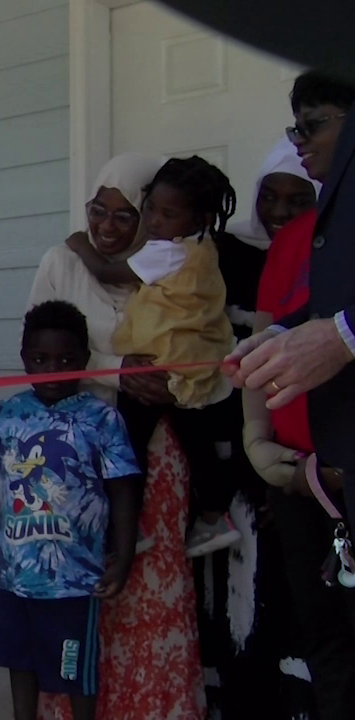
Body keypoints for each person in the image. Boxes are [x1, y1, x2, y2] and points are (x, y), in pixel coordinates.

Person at [28, 152, 207, 720]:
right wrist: (117, 367)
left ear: (151, 219)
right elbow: (40, 352)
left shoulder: (172, 269)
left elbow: (194, 348)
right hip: (74, 452)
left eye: (125, 216)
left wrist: (168, 379)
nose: (107, 227)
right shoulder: (61, 260)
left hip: (152, 447)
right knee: (84, 585)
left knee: (152, 582)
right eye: (97, 212)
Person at [0, 300, 140, 720]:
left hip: (73, 580)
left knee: (74, 671)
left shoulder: (101, 419)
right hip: (13, 574)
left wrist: (124, 556)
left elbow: (123, 491)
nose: (52, 370)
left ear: (84, 361)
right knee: (19, 660)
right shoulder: (7, 413)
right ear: (24, 360)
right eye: (40, 359)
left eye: (65, 360)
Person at [244, 71, 355, 720]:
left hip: (345, 475)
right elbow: (261, 347)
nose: (302, 141)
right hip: (296, 483)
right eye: (298, 128)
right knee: (325, 638)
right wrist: (259, 441)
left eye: (315, 124)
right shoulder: (294, 242)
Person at [65, 156, 239, 557]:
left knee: (129, 441)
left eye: (168, 214)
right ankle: (214, 514)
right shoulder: (203, 248)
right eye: (151, 209)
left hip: (161, 361)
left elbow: (109, 272)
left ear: (200, 218)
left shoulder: (168, 253)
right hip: (192, 364)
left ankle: (130, 523)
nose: (156, 222)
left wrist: (78, 245)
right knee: (196, 441)